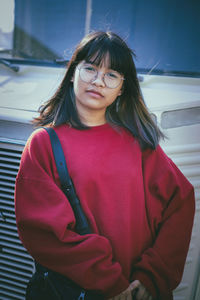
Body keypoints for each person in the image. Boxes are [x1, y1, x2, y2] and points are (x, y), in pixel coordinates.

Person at [15, 31, 195, 300]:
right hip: (80, 291)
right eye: (90, 69)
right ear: (73, 73)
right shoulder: (43, 144)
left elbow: (180, 203)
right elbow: (46, 232)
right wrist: (109, 281)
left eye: (111, 75)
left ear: (122, 87)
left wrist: (152, 277)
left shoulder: (139, 142)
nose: (98, 81)